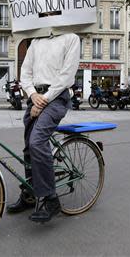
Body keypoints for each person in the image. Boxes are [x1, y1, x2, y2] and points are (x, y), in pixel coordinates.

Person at [7, 33, 80, 223]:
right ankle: (31, 194)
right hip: (36, 98)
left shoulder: (71, 38)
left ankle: (51, 198)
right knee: (28, 148)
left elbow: (67, 75)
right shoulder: (36, 41)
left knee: (37, 141)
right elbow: (25, 72)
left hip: (56, 98)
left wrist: (43, 100)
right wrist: (32, 95)